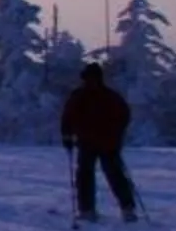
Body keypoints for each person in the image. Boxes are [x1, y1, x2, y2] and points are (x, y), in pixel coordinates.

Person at [59, 60, 141, 222]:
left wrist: (67, 136)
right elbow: (124, 116)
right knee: (113, 175)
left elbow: (67, 118)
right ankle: (126, 208)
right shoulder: (110, 96)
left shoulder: (81, 95)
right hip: (104, 143)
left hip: (94, 142)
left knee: (89, 175)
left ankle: (88, 209)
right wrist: (117, 133)